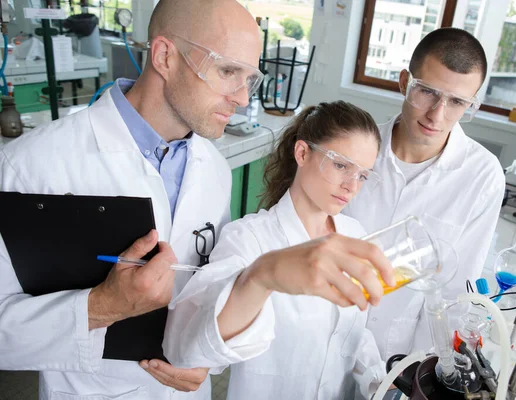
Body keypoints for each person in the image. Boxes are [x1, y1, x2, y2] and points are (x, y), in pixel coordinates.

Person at [0, 1, 393, 398]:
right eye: (227, 71)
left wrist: (206, 357)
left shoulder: (213, 170)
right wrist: (102, 305)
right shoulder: (30, 165)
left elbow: (206, 296)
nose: (242, 97)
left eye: (249, 78)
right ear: (165, 56)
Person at [164, 101, 394, 399]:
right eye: (341, 165)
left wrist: (378, 383)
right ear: (302, 153)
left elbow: (352, 335)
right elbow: (193, 345)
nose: (352, 186)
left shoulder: (356, 236)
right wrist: (261, 276)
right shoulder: (249, 238)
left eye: (363, 175)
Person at [344, 28, 506, 361]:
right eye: (427, 92)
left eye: (457, 102)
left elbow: (456, 288)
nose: (437, 114)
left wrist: (419, 369)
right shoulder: (354, 148)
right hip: (322, 331)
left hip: (395, 357)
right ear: (405, 82)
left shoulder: (482, 176)